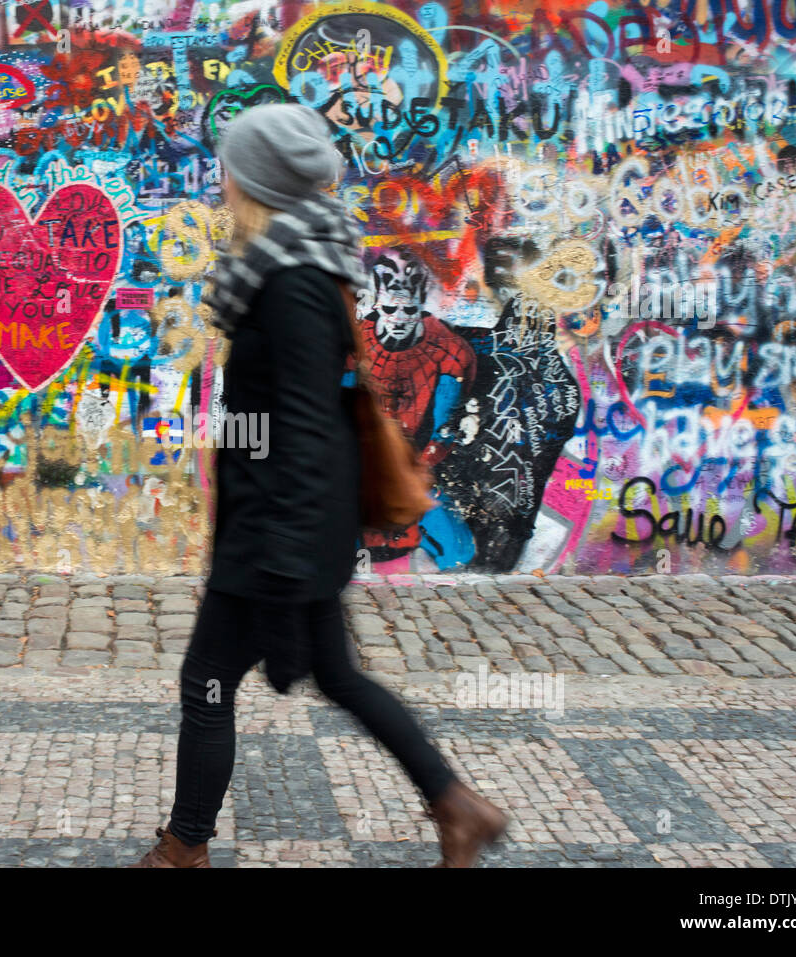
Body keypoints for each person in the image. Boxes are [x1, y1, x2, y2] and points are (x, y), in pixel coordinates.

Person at [131, 103, 507, 868]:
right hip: (293, 521)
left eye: (230, 168)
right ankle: (456, 804)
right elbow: (271, 416)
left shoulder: (292, 279)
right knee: (334, 673)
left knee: (207, 678)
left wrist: (277, 556)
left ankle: (184, 847)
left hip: (281, 529)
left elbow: (301, 421)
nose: (221, 181)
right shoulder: (289, 265)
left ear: (255, 179)